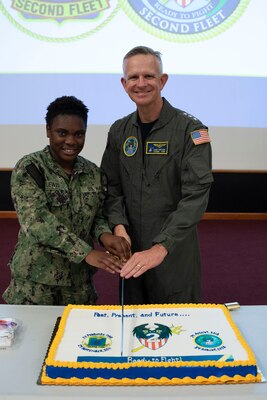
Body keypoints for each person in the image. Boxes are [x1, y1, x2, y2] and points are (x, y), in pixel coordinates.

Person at [100, 46, 213, 305]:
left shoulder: (191, 131)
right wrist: (119, 227)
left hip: (174, 254)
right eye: (133, 77)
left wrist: (161, 247)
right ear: (123, 83)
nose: (141, 83)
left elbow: (195, 196)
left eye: (149, 76)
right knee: (133, 329)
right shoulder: (119, 131)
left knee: (177, 328)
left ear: (163, 81)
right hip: (129, 254)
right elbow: (111, 187)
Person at [3, 96, 130, 305]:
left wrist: (106, 236)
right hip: (35, 283)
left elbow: (97, 216)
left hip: (79, 283)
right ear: (48, 131)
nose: (71, 141)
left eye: (79, 134)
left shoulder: (93, 173)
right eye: (62, 133)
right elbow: (36, 223)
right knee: (35, 337)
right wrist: (87, 252)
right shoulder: (30, 168)